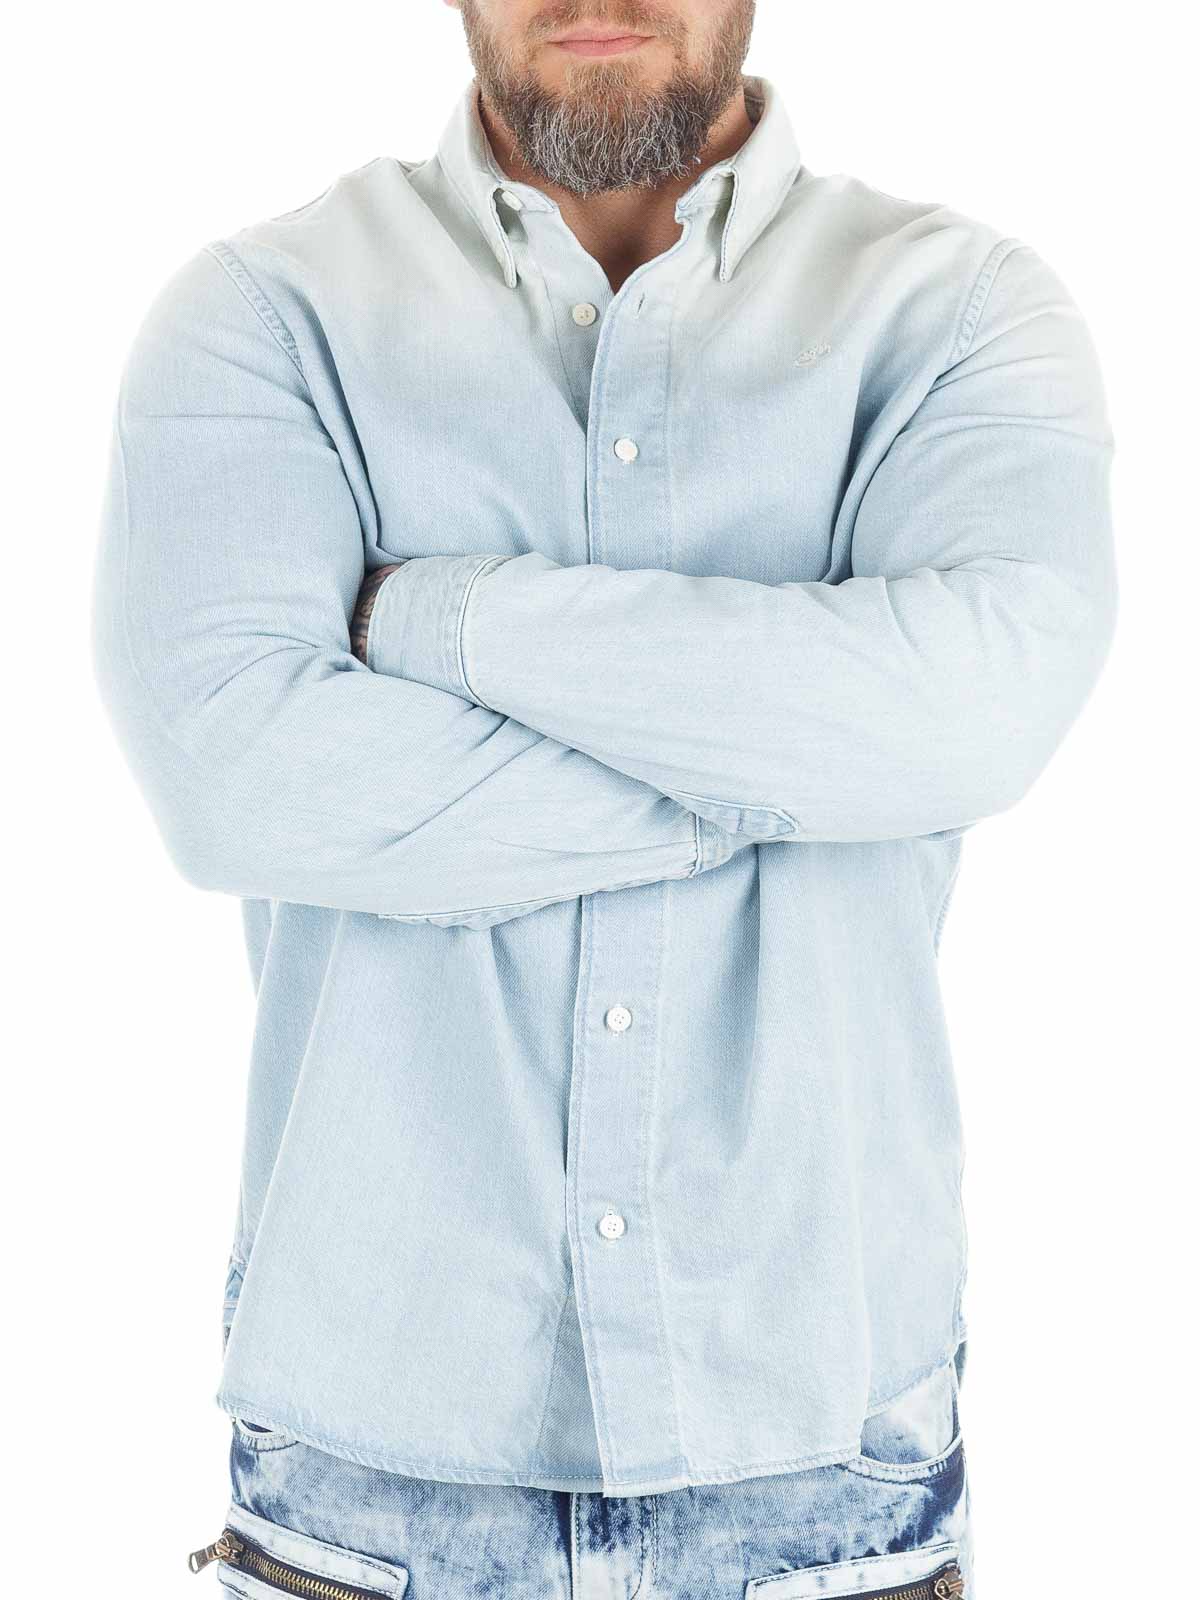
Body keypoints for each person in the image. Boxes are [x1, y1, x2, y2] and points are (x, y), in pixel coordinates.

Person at [91, 2, 1117, 1595]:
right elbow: (232, 777)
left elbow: (974, 713)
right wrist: (795, 764)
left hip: (822, 1464)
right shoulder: (269, 315)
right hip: (371, 1485)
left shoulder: (957, 313)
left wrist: (437, 619)